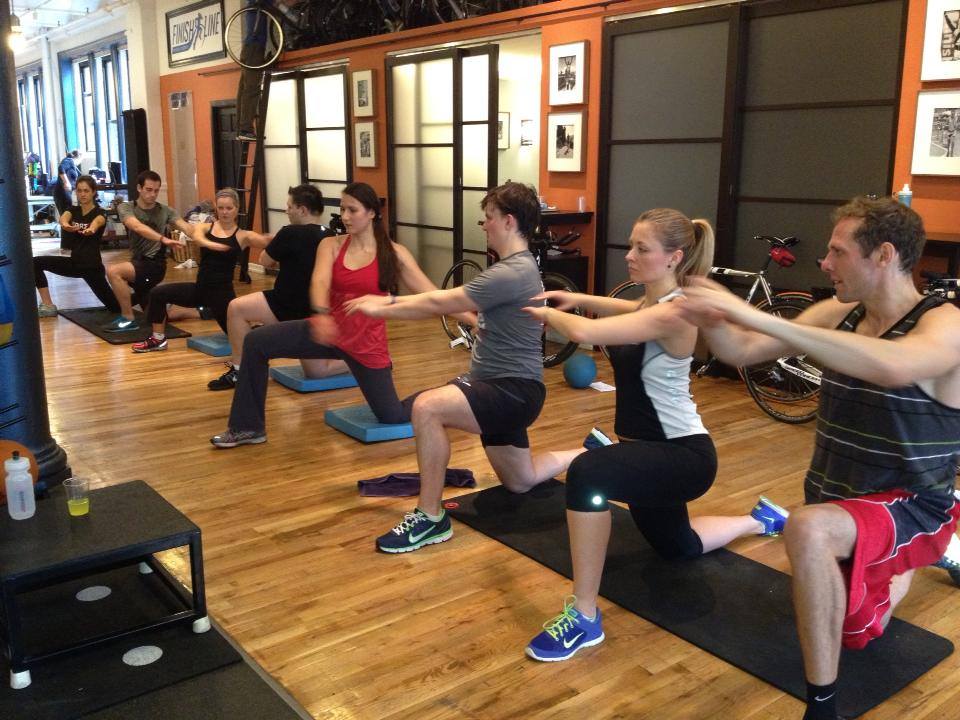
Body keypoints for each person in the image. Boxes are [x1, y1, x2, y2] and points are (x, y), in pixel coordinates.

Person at [680, 196, 960, 720]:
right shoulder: (840, 313)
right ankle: (902, 566)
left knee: (806, 530)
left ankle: (823, 709)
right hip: (838, 497)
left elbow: (894, 365)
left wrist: (756, 316)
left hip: (912, 504)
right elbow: (740, 351)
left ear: (883, 255)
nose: (825, 263)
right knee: (854, 627)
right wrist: (711, 313)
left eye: (837, 252)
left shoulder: (945, 324)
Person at [517, 208, 745, 663]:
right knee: (678, 547)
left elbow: (585, 330)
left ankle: (584, 616)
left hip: (681, 456)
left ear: (673, 257)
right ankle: (760, 520)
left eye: (642, 248)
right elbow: (622, 309)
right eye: (630, 245)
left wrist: (547, 313)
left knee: (588, 474)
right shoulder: (653, 304)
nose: (629, 255)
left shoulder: (676, 313)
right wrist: (574, 297)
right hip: (650, 456)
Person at [346, 182, 563, 554]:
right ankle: (592, 451)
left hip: (511, 391)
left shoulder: (512, 272)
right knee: (521, 480)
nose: (484, 225)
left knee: (427, 407)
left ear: (509, 221)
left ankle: (430, 517)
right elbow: (448, 304)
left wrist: (384, 305)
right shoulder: (516, 268)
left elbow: (440, 302)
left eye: (489, 218)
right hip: (506, 388)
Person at [209, 182, 465, 447]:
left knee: (392, 415)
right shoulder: (330, 244)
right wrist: (321, 314)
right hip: (328, 331)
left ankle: (456, 389)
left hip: (365, 344)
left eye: (352, 210)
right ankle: (247, 427)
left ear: (371, 213)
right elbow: (319, 282)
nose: (345, 216)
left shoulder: (393, 253)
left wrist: (471, 318)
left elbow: (432, 295)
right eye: (342, 209)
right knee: (256, 341)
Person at [207, 183, 344, 391]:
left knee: (236, 308)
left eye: (289, 207)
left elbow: (264, 261)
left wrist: (280, 249)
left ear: (302, 210)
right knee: (317, 371)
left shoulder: (289, 232)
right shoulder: (331, 235)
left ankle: (239, 370)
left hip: (284, 306)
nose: (286, 211)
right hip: (313, 311)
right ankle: (365, 361)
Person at [131, 189, 269, 352]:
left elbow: (268, 243)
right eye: (221, 208)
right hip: (200, 290)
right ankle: (158, 339)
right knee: (157, 293)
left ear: (237, 209)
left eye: (229, 208)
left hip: (222, 295)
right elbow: (197, 237)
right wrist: (210, 244)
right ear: (216, 208)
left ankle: (264, 329)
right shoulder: (205, 227)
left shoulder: (244, 236)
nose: (224, 212)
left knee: (244, 338)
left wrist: (283, 237)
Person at [103, 170, 195, 333]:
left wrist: (209, 235)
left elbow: (187, 228)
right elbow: (136, 226)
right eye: (149, 190)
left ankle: (128, 318)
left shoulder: (166, 211)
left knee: (114, 271)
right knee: (156, 315)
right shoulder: (126, 207)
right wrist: (163, 238)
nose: (153, 194)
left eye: (156, 191)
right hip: (137, 262)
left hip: (154, 266)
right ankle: (200, 312)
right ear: (139, 188)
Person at [33, 175, 121, 317]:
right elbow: (64, 218)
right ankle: (48, 306)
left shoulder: (100, 212)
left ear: (93, 192)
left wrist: (91, 229)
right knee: (35, 263)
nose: (82, 194)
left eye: (86, 191)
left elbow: (97, 222)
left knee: (116, 307)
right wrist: (66, 225)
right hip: (74, 263)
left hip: (91, 267)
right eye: (79, 191)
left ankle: (144, 295)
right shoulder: (73, 210)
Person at [53, 149, 81, 215]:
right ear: (79, 157)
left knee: (68, 214)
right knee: (66, 214)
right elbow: (61, 168)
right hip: (62, 192)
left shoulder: (72, 165)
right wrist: (66, 182)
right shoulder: (69, 160)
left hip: (66, 192)